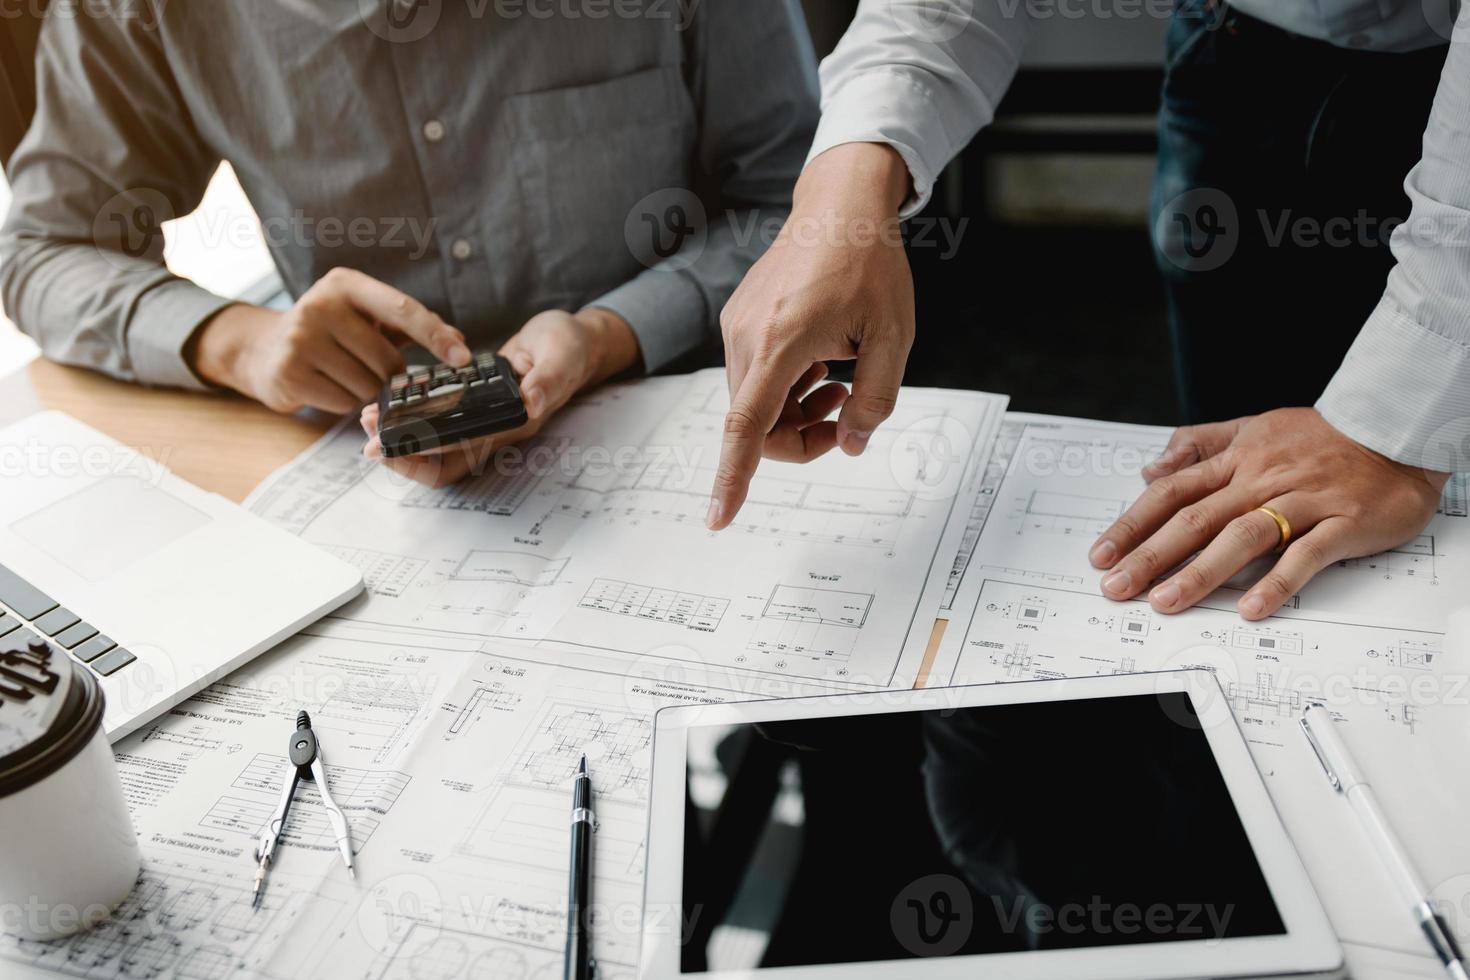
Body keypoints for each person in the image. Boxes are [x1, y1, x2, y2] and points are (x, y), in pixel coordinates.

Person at [710, 0, 1469, 621]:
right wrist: (843, 199)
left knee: (1426, 525)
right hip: (1237, 46)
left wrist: (1393, 421)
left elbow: (1401, 429)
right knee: (1252, 509)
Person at [0, 0, 817, 488]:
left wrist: (609, 335)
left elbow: (802, 204)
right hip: (355, 485)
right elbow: (38, 248)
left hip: (695, 428)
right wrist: (243, 343)